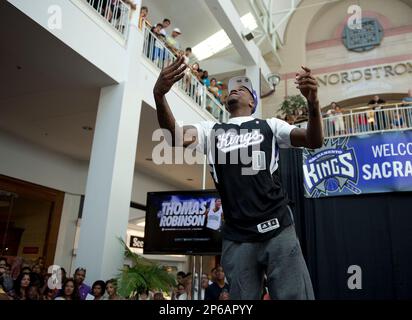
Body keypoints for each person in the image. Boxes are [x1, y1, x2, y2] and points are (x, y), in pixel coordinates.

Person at [153, 57, 322, 299]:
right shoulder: (210, 130)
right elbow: (176, 137)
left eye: (242, 88)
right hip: (237, 234)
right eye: (231, 88)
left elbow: (314, 141)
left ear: (253, 101)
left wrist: (313, 102)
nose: (235, 89)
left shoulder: (270, 125)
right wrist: (159, 96)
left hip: (277, 225)